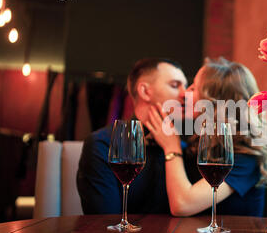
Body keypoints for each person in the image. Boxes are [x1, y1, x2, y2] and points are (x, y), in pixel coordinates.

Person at [145, 57, 267, 217]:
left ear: (215, 102)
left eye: (194, 88)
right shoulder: (202, 143)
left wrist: (171, 147)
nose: (185, 92)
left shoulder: (246, 157)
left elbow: (182, 205)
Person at [76, 58, 188, 214]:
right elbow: (104, 223)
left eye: (186, 86)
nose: (185, 94)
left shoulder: (182, 150)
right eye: (175, 85)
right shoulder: (102, 145)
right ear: (145, 91)